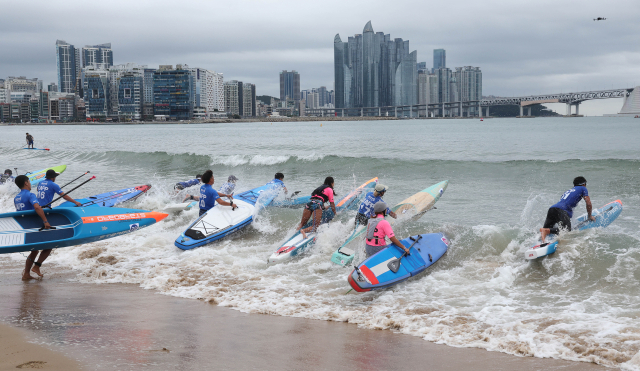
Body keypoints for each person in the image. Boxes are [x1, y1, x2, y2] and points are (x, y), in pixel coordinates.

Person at [14, 175, 52, 280]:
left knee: (34, 250)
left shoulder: (16, 197)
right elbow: (36, 207)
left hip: (24, 227)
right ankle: (36, 266)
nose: (30, 183)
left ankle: (26, 274)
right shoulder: (31, 195)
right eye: (29, 181)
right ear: (26, 183)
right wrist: (45, 221)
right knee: (50, 245)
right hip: (33, 227)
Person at [540, 176, 595, 243]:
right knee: (566, 230)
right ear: (584, 184)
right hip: (561, 211)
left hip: (552, 209)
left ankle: (540, 240)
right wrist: (590, 216)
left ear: (574, 185)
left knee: (546, 231)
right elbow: (588, 203)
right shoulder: (583, 188)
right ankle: (546, 231)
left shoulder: (568, 191)